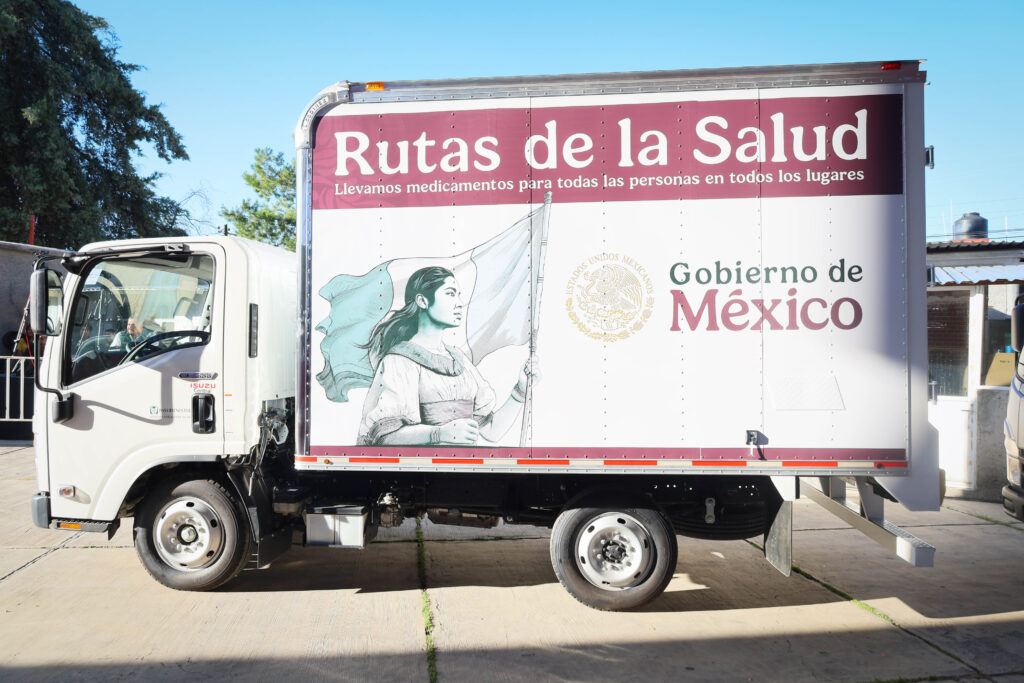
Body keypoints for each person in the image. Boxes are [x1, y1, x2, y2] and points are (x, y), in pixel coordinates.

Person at [357, 266, 537, 446]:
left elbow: (491, 432)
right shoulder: (399, 361)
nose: (459, 303)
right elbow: (385, 438)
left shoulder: (460, 362)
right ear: (422, 301)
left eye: (459, 295)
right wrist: (439, 434)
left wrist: (520, 391)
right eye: (450, 294)